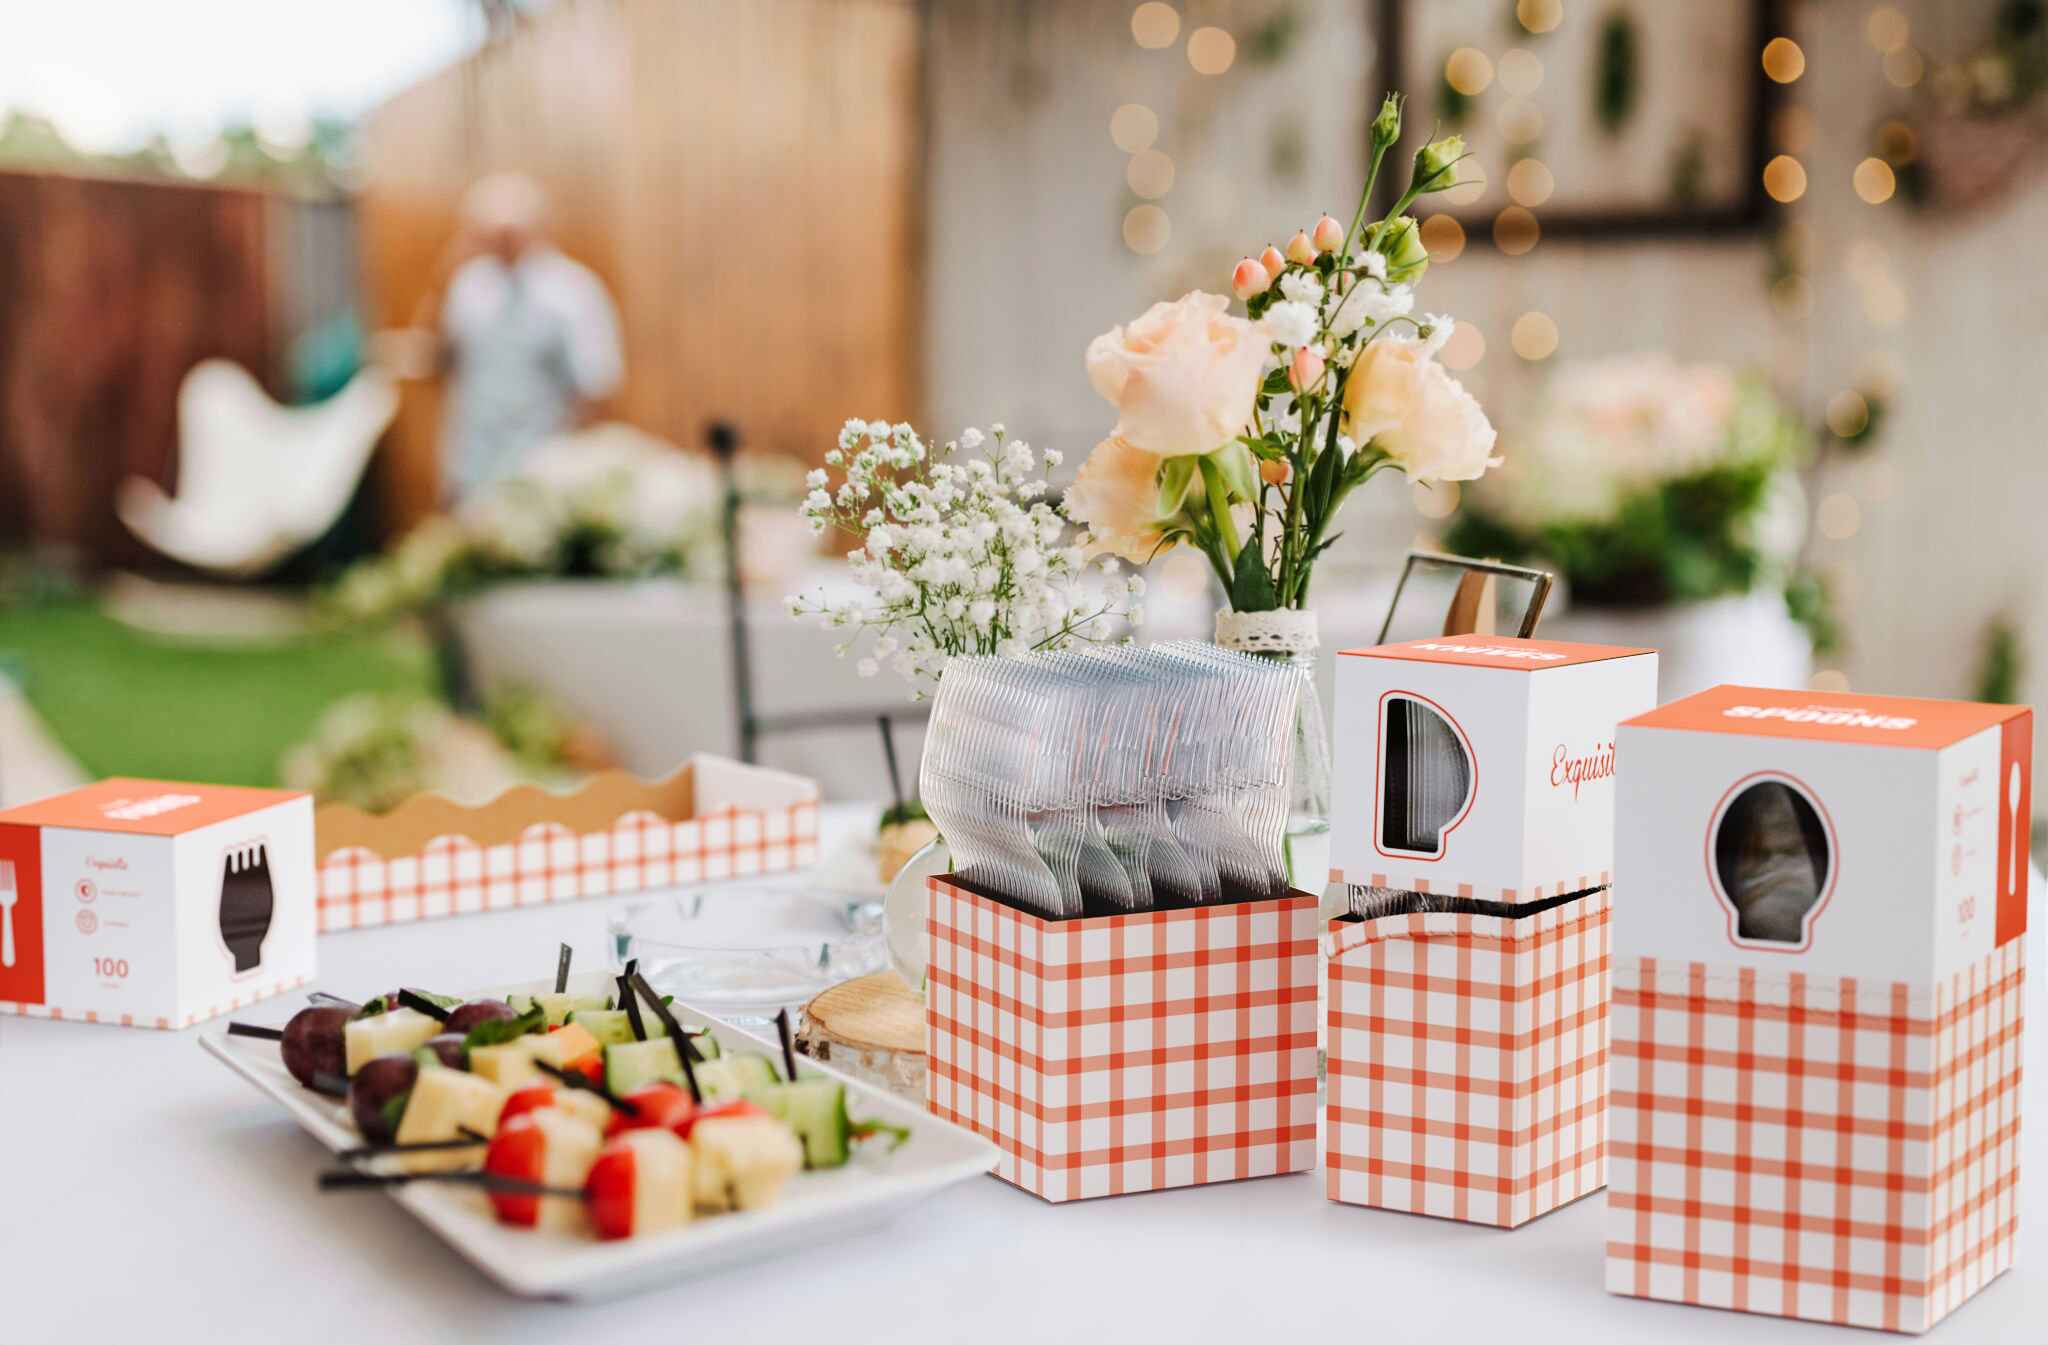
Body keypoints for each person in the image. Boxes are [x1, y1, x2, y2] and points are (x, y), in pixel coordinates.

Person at [386, 173, 625, 500]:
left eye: (508, 234)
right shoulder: (468, 284)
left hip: (540, 475)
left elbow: (597, 386)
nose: (499, 244)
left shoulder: (572, 292)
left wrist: (572, 467)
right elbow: (437, 358)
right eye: (486, 233)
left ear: (537, 229)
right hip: (471, 471)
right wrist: (445, 271)